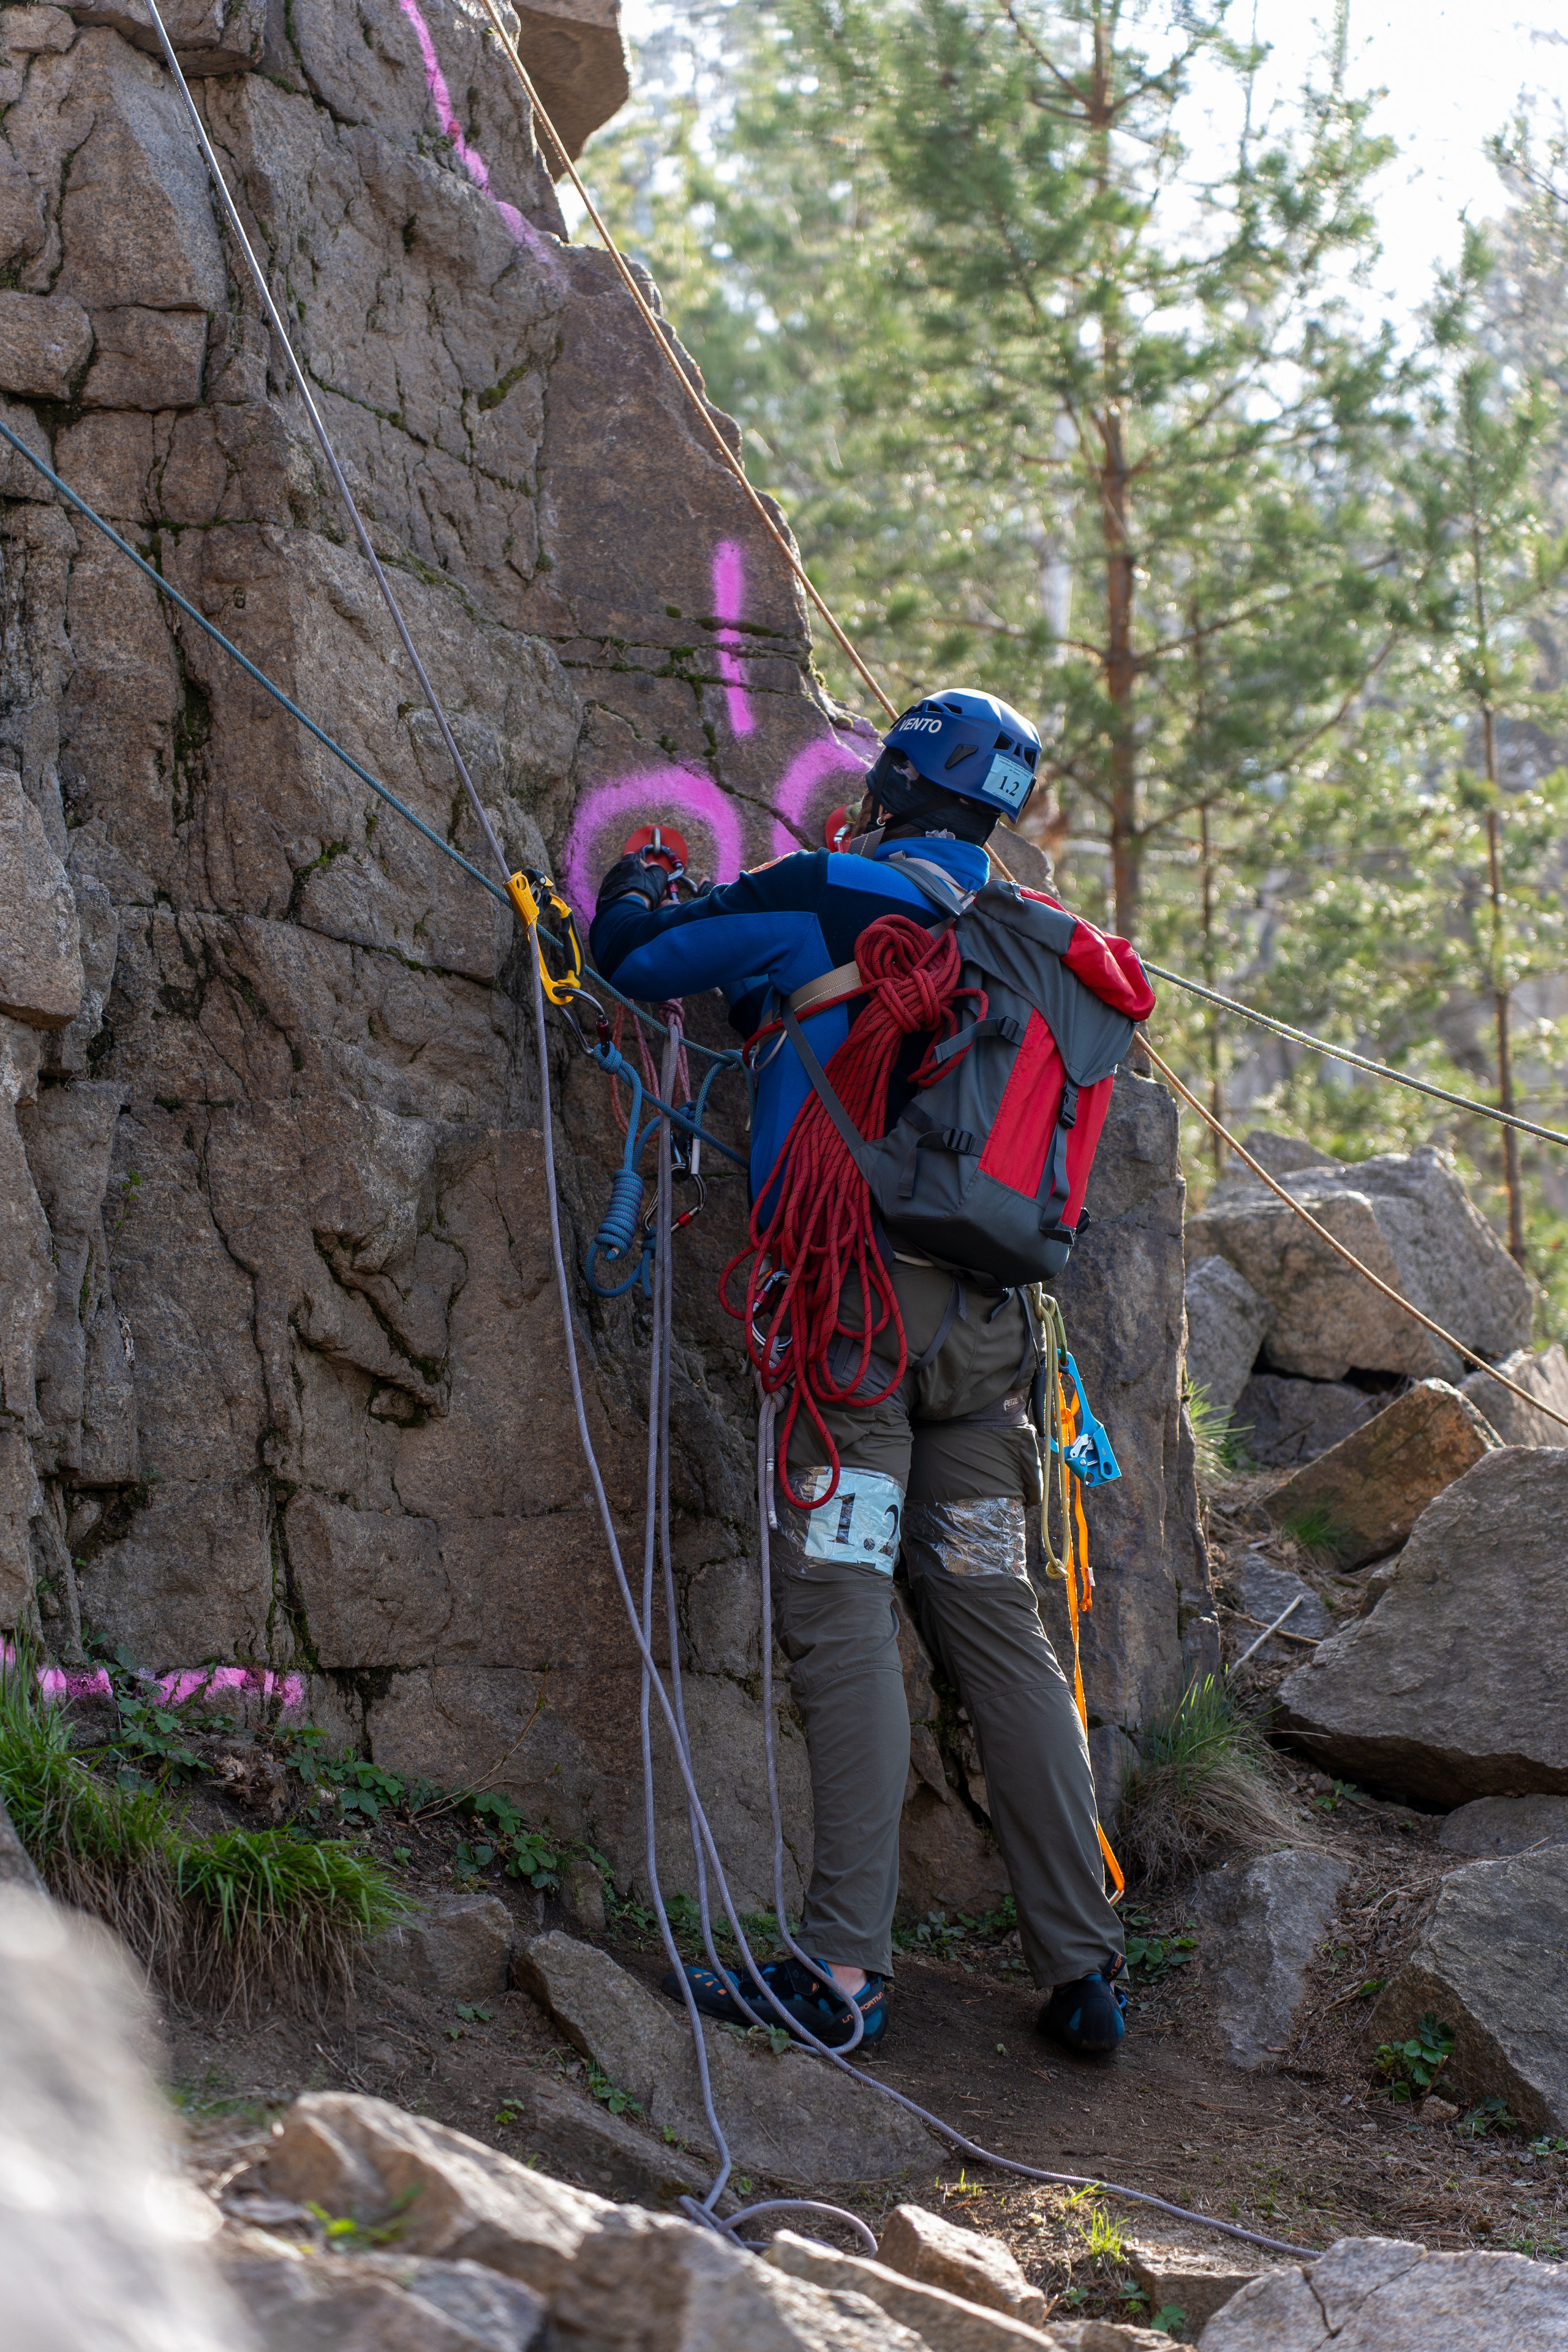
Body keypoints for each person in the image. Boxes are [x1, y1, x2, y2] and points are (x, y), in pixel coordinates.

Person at [589, 689, 1142, 2062]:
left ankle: (839, 1973)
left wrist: (637, 877)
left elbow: (641, 961)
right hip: (991, 1345)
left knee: (839, 1616)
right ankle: (1084, 1971)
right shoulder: (1047, 952)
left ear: (894, 781)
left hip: (855, 1327)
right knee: (996, 1629)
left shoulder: (830, 885)